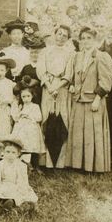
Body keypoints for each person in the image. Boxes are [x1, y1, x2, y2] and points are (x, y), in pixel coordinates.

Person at [66, 27, 112, 172]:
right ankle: (78, 165)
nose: (86, 41)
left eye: (89, 38)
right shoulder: (77, 56)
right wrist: (73, 85)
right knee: (79, 134)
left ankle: (95, 166)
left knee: (94, 134)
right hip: (79, 100)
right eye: (83, 38)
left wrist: (98, 98)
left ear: (95, 40)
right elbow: (74, 76)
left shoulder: (102, 56)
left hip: (94, 100)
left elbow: (106, 80)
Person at [37, 25, 75, 168]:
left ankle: (60, 162)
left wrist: (58, 87)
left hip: (62, 89)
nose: (61, 37)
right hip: (48, 88)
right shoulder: (45, 52)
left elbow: (69, 73)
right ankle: (45, 161)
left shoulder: (71, 53)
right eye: (59, 34)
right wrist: (49, 86)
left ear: (68, 38)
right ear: (54, 34)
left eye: (64, 35)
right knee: (47, 119)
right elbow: (41, 70)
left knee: (62, 120)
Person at [0, 135, 37, 213]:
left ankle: (11, 205)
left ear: (18, 154)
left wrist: (17, 190)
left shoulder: (21, 166)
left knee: (24, 199)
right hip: (2, 186)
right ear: (3, 152)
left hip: (16, 188)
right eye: (8, 152)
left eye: (13, 152)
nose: (10, 155)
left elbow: (22, 182)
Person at [10, 85, 45, 167]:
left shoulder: (35, 106)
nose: (26, 98)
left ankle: (36, 165)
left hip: (32, 129)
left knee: (33, 146)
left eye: (28, 96)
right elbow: (15, 118)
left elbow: (39, 118)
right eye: (23, 97)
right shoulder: (21, 106)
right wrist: (20, 113)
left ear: (32, 96)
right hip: (22, 129)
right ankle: (24, 164)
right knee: (23, 145)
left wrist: (29, 116)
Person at [18, 35, 44, 104]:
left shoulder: (43, 66)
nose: (34, 55)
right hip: (27, 96)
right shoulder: (26, 67)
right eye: (32, 53)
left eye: (36, 52)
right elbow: (21, 81)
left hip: (39, 94)